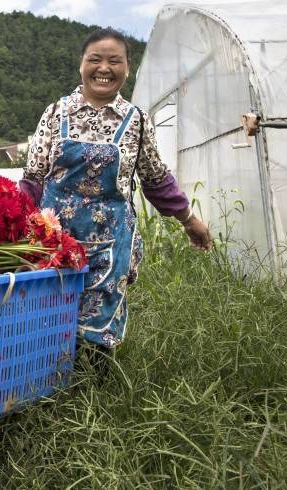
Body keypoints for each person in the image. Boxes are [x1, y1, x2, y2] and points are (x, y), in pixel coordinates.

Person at [20, 27, 212, 358]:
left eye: (114, 61)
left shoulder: (136, 121)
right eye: (95, 59)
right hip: (54, 240)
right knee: (48, 319)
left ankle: (94, 396)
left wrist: (188, 220)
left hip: (110, 242)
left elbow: (156, 180)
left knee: (98, 330)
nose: (104, 68)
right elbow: (33, 178)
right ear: (81, 64)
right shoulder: (55, 113)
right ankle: (46, 392)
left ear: (127, 67)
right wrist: (13, 228)